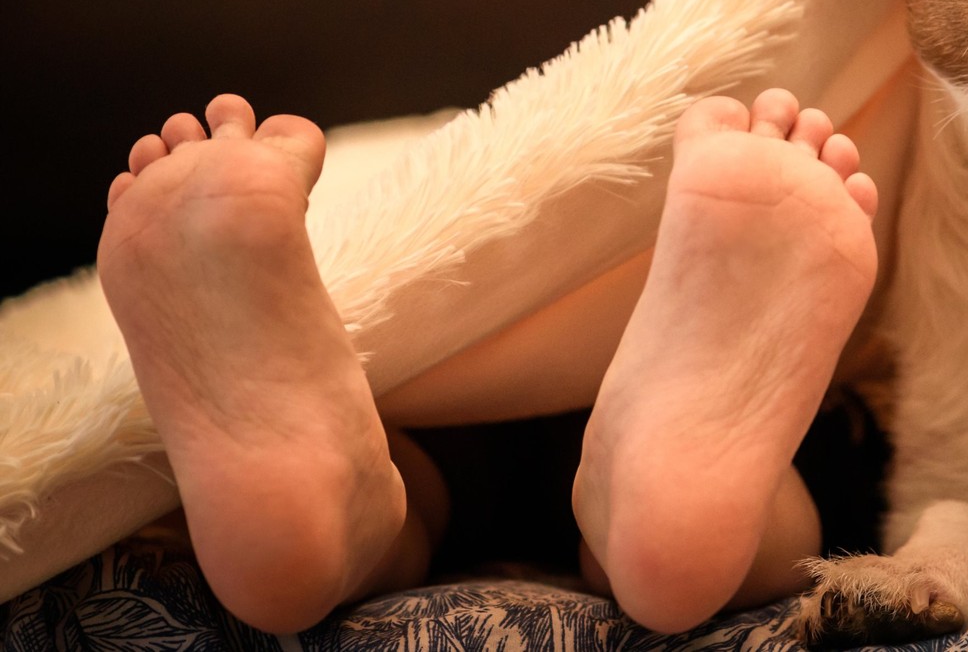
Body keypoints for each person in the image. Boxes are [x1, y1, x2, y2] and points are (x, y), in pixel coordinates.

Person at [96, 88, 880, 635]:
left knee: (399, 493)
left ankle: (347, 509)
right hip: (662, 362)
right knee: (801, 506)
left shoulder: (433, 159)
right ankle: (672, 519)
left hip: (435, 411)